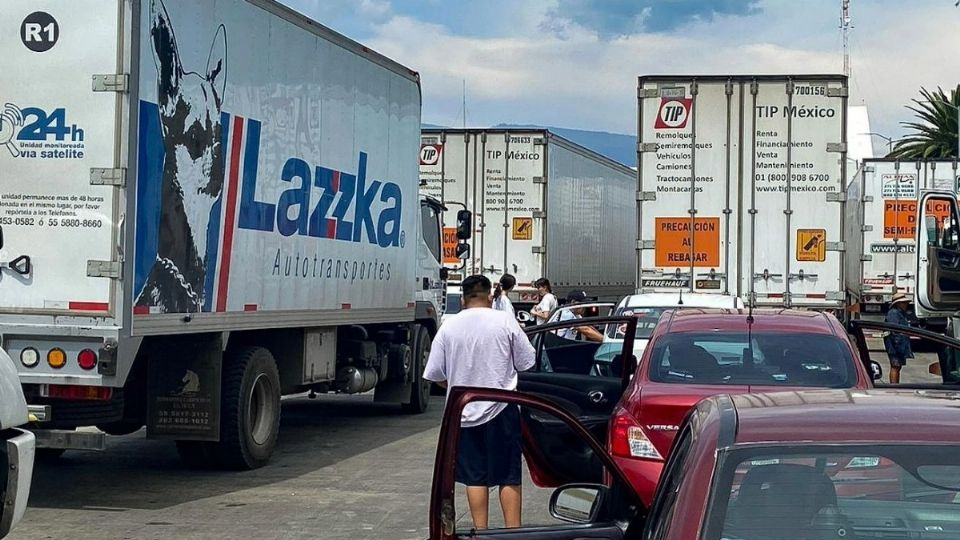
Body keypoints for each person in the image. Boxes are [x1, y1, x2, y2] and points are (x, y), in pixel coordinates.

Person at [423, 274, 536, 530]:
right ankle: (513, 532)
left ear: (463, 300)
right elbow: (526, 362)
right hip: (502, 407)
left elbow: (436, 374)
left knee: (475, 477)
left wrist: (456, 383)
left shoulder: (449, 327)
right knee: (508, 475)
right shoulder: (504, 321)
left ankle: (481, 532)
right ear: (490, 297)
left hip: (464, 411)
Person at [883, 292, 914, 384]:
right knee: (895, 366)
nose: (906, 304)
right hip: (895, 346)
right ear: (898, 304)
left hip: (898, 344)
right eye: (903, 303)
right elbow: (894, 331)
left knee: (897, 366)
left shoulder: (900, 313)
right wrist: (898, 345)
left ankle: (895, 384)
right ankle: (894, 386)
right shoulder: (893, 313)